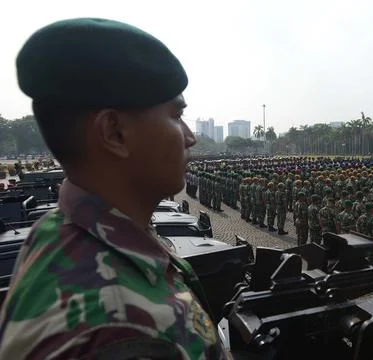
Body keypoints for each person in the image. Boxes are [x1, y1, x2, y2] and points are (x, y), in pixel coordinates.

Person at [0, 18, 227, 359]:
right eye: (175, 115)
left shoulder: (58, 231)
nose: (190, 136)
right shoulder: (114, 328)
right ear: (115, 133)